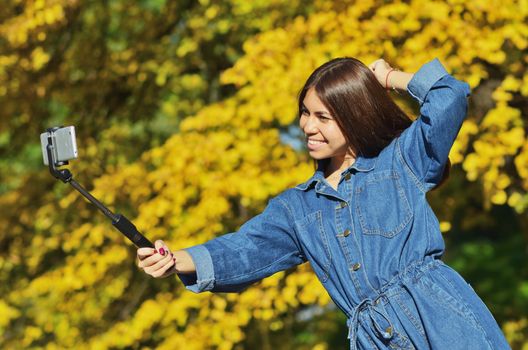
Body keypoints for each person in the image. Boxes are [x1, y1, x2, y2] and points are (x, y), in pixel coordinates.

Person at [137, 57, 510, 349]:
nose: (307, 126)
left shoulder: (400, 162)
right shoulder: (297, 208)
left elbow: (450, 96)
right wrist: (176, 260)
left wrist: (389, 77)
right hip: (373, 339)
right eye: (304, 112)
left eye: (322, 117)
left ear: (354, 115)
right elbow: (246, 250)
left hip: (441, 317)